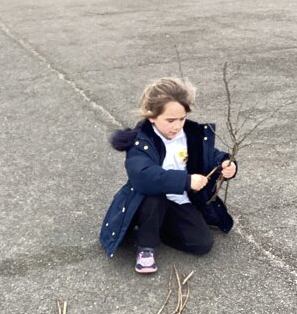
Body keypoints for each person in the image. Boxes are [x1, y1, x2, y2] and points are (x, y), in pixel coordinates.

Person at [100, 77, 238, 274]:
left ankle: (158, 229)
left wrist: (225, 164)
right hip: (149, 200)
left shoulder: (191, 135)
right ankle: (146, 246)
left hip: (179, 200)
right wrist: (187, 181)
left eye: (182, 119)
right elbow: (143, 176)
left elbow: (210, 156)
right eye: (170, 120)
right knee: (153, 195)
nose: (177, 126)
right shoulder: (141, 142)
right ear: (152, 116)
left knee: (202, 244)